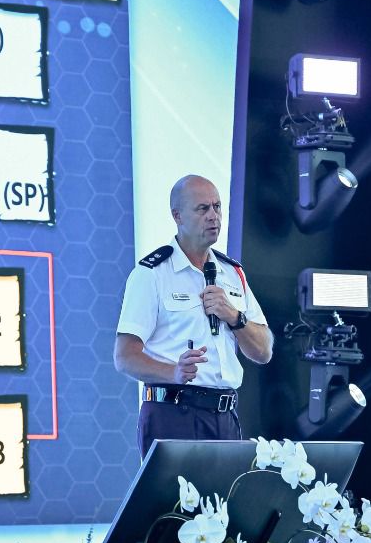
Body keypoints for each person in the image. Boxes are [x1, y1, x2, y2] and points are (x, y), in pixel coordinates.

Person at [115, 175, 273, 457]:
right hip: (173, 414)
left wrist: (234, 316)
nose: (213, 216)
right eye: (203, 209)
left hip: (225, 415)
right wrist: (173, 372)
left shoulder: (232, 273)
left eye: (217, 207)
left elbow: (263, 351)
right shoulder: (151, 274)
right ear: (177, 216)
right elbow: (124, 356)